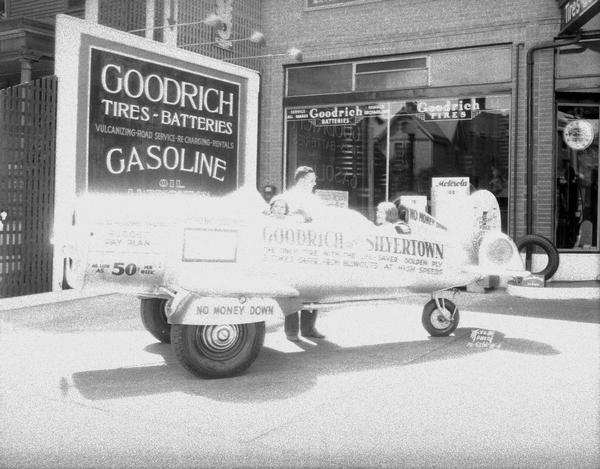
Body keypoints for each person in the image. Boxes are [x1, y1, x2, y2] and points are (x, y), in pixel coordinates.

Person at [282, 166, 325, 341]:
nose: (314, 183)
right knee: (293, 290)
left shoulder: (314, 199)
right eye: (311, 180)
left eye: (314, 180)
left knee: (313, 287)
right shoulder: (288, 197)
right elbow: (283, 217)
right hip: (294, 249)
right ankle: (291, 331)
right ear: (301, 180)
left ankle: (308, 328)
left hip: (313, 248)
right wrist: (301, 215)